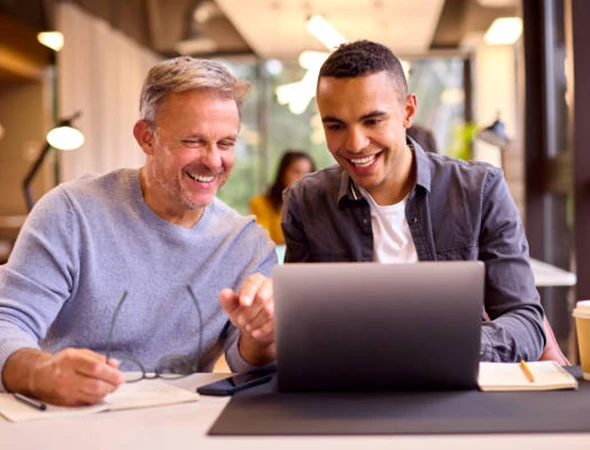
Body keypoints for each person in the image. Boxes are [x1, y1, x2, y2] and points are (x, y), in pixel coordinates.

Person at [0, 57, 276, 406]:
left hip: (179, 425)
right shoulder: (71, 212)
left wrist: (262, 335)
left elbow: (247, 363)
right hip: (68, 417)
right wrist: (41, 373)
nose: (213, 161)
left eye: (226, 143)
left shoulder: (246, 245)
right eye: (194, 141)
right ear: (147, 138)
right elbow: (6, 322)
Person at [281, 40, 546, 362]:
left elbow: (526, 322)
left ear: (407, 111)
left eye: (372, 121)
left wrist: (447, 345)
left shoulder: (480, 190)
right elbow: (298, 323)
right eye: (336, 125)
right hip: (351, 388)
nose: (355, 143)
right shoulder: (305, 202)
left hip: (457, 383)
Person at [249, 150, 315, 244]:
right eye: (296, 172)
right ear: (282, 173)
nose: (302, 178)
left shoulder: (317, 205)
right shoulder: (260, 203)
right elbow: (260, 241)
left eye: (308, 173)